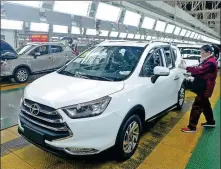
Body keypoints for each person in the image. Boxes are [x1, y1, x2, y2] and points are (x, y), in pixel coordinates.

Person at [178, 45, 218, 133]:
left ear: (208, 52)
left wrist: (186, 68)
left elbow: (199, 70)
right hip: (204, 86)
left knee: (197, 106)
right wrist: (191, 73)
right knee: (205, 105)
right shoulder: (208, 60)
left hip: (205, 88)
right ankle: (211, 122)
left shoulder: (210, 63)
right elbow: (200, 72)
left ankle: (192, 127)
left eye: (202, 52)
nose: (201, 54)